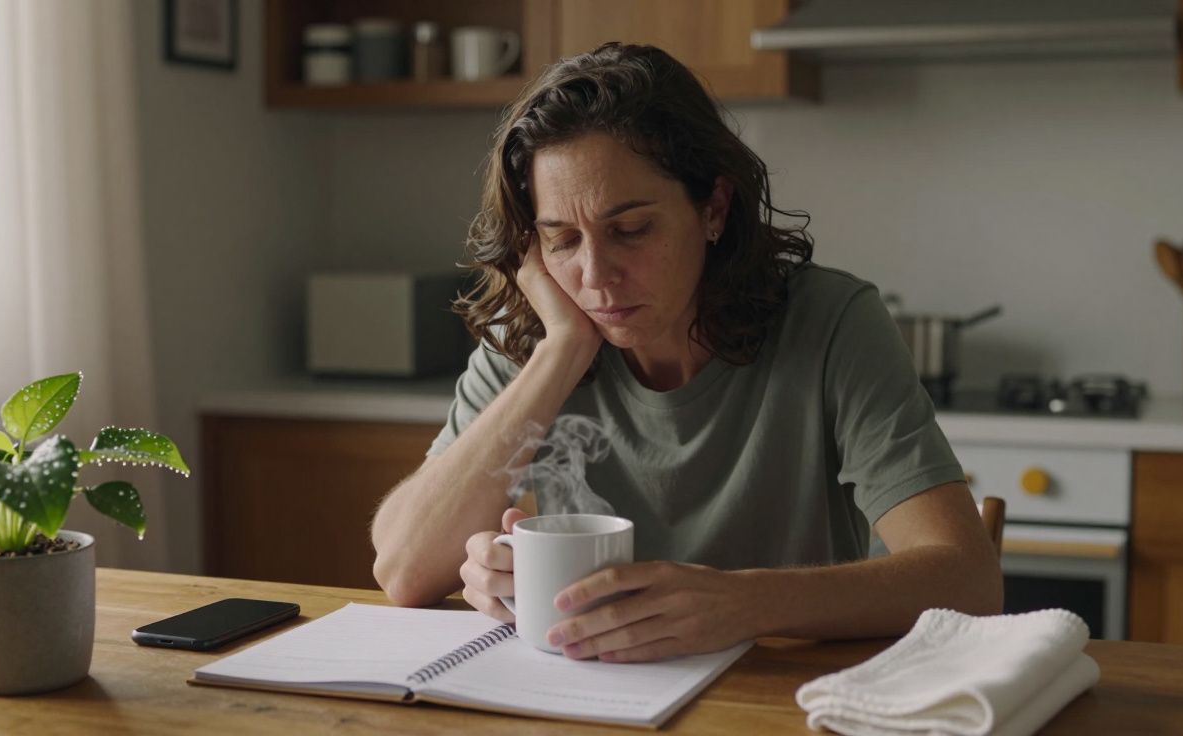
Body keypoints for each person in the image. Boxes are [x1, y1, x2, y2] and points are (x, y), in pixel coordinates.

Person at [371, 42, 1001, 664]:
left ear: (713, 209)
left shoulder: (830, 323)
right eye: (561, 240)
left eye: (631, 230)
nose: (595, 275)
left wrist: (742, 603)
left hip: (785, 694)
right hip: (593, 695)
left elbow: (968, 581)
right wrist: (562, 351)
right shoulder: (537, 338)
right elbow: (402, 571)